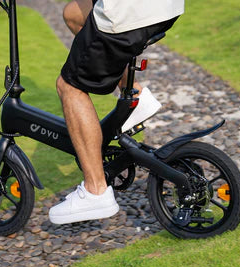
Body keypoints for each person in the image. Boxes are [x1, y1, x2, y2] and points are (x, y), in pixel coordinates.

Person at [49, 0, 184, 225]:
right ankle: (135, 95)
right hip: (165, 7)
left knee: (70, 86)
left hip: (128, 13)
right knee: (73, 14)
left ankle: (96, 191)